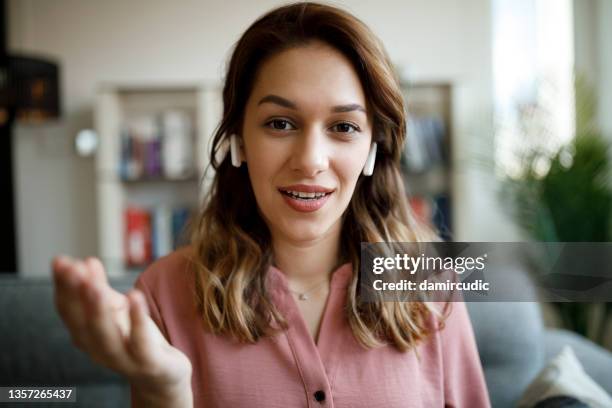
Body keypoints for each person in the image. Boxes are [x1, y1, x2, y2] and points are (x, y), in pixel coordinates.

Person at [52, 2, 491, 407]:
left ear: (372, 148)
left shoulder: (433, 285)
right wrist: (164, 390)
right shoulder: (163, 294)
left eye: (343, 126)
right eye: (280, 123)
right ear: (240, 139)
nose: (310, 160)